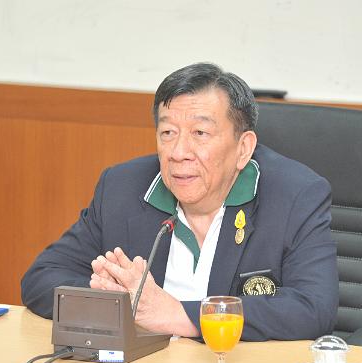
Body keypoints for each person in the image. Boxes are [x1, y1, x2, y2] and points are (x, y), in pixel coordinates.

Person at [21, 63, 338, 341]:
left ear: (243, 148)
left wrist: (180, 316)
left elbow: (314, 308)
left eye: (200, 133)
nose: (178, 152)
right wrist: (122, 303)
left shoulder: (295, 196)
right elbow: (42, 278)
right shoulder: (122, 188)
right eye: (168, 133)